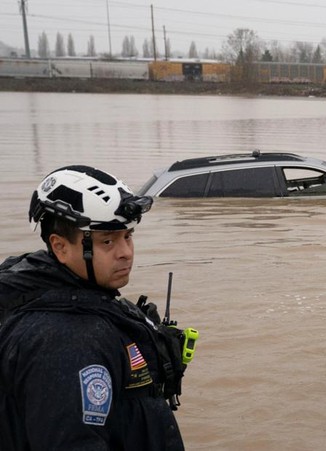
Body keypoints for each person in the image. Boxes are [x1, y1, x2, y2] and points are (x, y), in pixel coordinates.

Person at [0, 166, 187, 450]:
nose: (125, 252)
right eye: (107, 241)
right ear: (60, 247)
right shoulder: (66, 341)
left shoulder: (79, 297)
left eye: (128, 236)